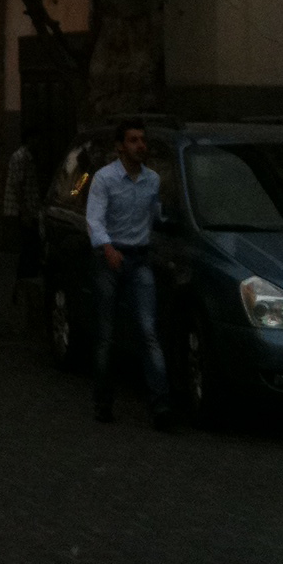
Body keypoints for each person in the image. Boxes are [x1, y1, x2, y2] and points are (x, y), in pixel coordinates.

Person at [86, 119, 172, 429]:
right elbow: (94, 220)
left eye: (142, 140)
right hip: (111, 259)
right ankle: (103, 401)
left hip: (139, 259)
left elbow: (155, 215)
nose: (140, 145)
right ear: (121, 146)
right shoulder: (104, 179)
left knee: (148, 331)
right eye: (134, 140)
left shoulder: (152, 180)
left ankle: (161, 404)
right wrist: (108, 249)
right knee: (106, 333)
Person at [3, 127, 44, 292]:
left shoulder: (25, 157)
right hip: (23, 210)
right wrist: (25, 212)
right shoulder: (21, 158)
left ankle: (23, 284)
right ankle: (22, 284)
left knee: (30, 248)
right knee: (29, 248)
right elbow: (18, 185)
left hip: (27, 208)